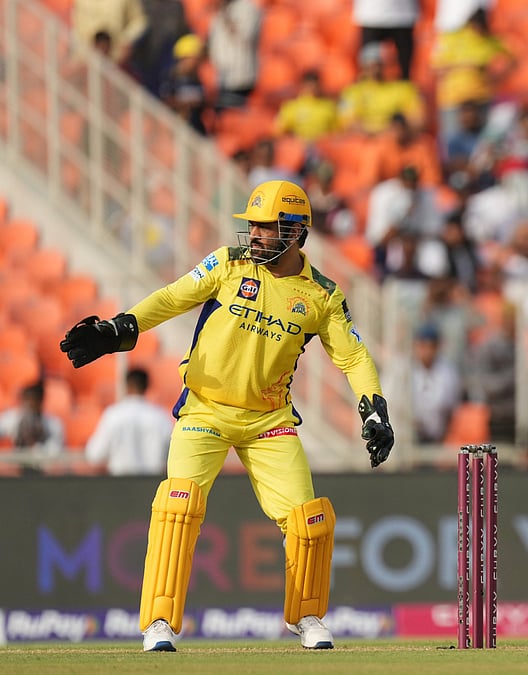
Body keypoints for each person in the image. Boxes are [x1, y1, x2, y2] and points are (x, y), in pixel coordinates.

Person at [58, 180, 394, 652]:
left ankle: (310, 618)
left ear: (296, 233)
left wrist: (373, 408)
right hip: (204, 412)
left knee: (307, 519)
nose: (253, 236)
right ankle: (158, 624)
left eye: (265, 228)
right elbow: (175, 296)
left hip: (269, 421)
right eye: (251, 226)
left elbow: (353, 358)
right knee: (178, 506)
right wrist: (122, 326)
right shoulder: (227, 263)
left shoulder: (321, 295)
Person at [84, 367, 174, 476]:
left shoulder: (113, 415)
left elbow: (94, 454)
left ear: (126, 386)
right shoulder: (160, 417)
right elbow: (172, 453)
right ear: (147, 387)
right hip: (152, 484)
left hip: (121, 484)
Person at [0, 381, 65, 474]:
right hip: (13, 472)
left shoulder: (53, 424)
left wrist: (34, 444)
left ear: (41, 401)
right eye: (27, 400)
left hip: (41, 474)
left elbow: (55, 455)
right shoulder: (11, 419)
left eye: (33, 401)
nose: (29, 405)